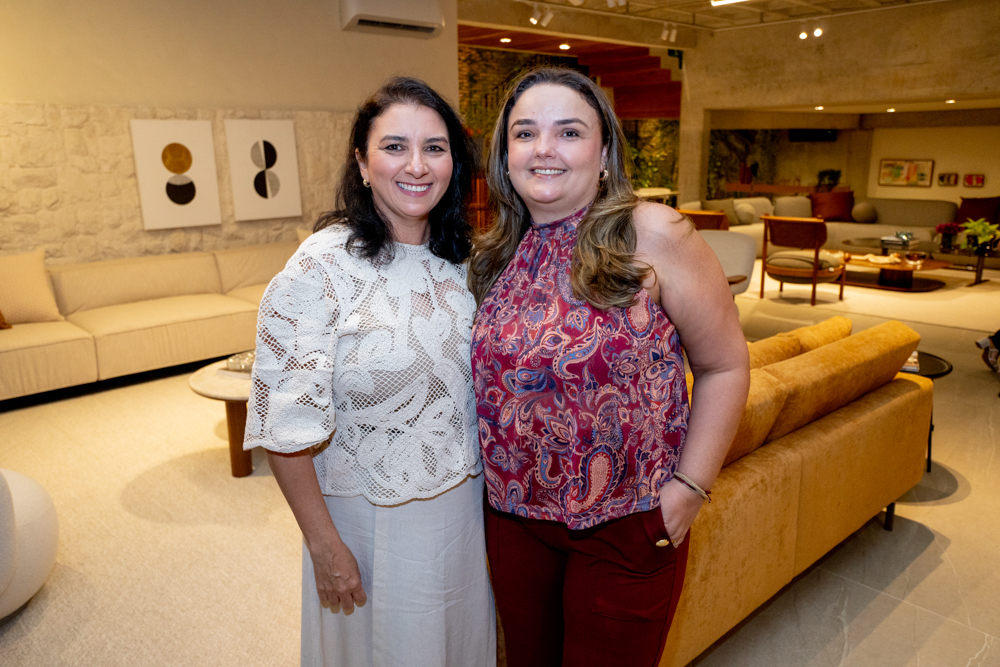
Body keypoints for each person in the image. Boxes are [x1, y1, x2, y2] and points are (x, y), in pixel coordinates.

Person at [467, 67, 750, 667]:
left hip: (628, 523)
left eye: (568, 132)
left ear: (603, 152)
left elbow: (725, 364)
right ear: (506, 155)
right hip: (515, 525)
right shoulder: (493, 255)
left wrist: (691, 489)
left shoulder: (652, 233)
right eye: (525, 133)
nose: (544, 148)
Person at [245, 77, 496, 667]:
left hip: (462, 515)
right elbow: (284, 427)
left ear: (454, 164)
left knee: (456, 648)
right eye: (394, 146)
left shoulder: (470, 263)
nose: (417, 165)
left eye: (435, 148)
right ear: (361, 163)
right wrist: (324, 545)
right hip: (365, 522)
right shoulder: (320, 268)